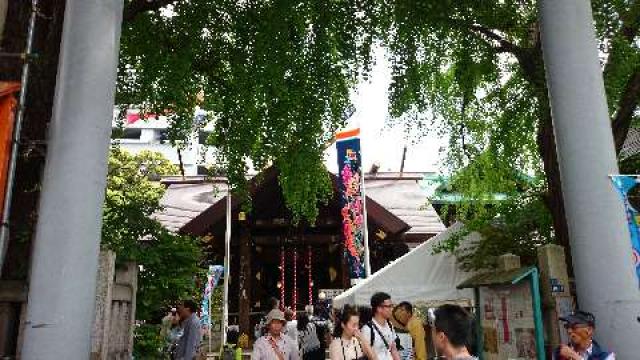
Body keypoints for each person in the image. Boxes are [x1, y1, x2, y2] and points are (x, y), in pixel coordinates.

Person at [361, 292, 401, 360]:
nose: (392, 309)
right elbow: (366, 354)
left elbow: (393, 349)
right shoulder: (367, 329)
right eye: (389, 306)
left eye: (392, 306)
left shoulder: (389, 325)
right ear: (379, 308)